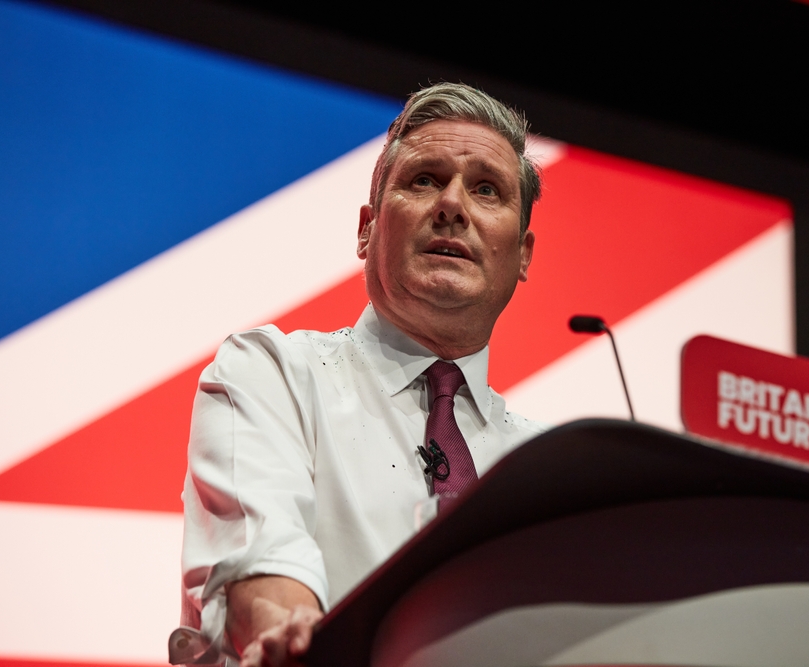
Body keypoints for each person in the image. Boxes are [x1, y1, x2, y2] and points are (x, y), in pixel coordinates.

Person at [171, 83, 548, 667]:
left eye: (486, 190)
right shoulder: (274, 373)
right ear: (367, 229)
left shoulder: (542, 465)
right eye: (424, 180)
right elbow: (261, 565)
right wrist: (292, 631)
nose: (452, 205)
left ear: (522, 253)